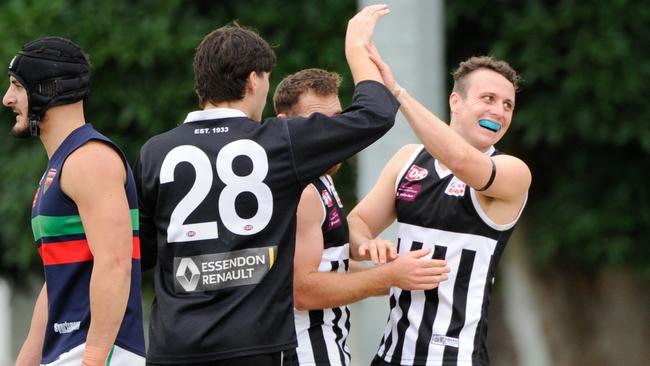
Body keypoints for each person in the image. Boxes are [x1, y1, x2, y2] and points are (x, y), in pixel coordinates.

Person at [135, 5, 400, 365]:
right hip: (256, 347)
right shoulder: (276, 142)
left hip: (175, 347)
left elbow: (143, 254)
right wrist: (356, 46)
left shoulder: (155, 151)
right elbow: (376, 112)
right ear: (253, 80)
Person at [347, 45, 531, 366]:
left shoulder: (513, 172)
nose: (499, 112)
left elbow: (460, 159)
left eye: (508, 105)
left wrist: (397, 92)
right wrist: (367, 247)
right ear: (455, 101)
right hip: (390, 356)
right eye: (488, 99)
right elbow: (354, 226)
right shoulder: (408, 159)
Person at [272, 68, 450, 366]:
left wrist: (389, 275)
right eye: (319, 123)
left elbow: (327, 264)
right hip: (304, 350)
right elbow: (302, 290)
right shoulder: (303, 190)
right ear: (284, 124)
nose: (334, 133)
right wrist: (387, 277)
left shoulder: (321, 175)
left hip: (324, 343)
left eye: (339, 119)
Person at [3, 37, 145, 365]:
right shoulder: (65, 163)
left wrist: (94, 357)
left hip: (95, 352)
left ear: (48, 89)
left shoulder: (90, 160)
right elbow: (59, 278)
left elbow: (115, 264)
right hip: (70, 351)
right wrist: (27, 358)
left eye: (16, 86)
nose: (7, 99)